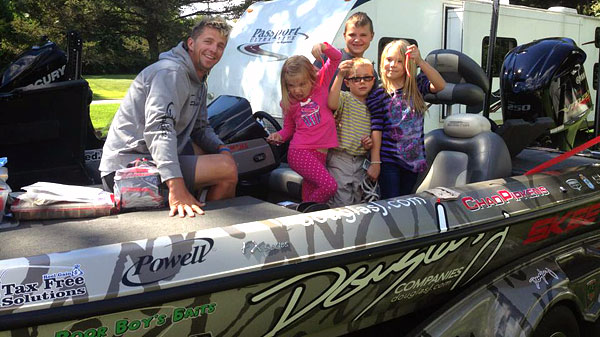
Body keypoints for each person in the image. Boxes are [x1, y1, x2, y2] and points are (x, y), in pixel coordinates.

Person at [99, 17, 238, 218]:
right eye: (208, 42)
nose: (214, 50)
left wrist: (222, 148)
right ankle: (207, 224)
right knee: (227, 169)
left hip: (149, 157)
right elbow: (159, 131)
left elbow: (200, 128)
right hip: (125, 169)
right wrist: (176, 186)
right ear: (191, 43)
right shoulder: (171, 73)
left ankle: (195, 202)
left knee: (217, 155)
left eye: (220, 46)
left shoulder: (198, 80)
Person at [366, 39, 446, 199]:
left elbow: (440, 85)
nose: (393, 64)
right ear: (382, 62)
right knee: (392, 202)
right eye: (389, 60)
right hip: (389, 161)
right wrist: (375, 162)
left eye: (399, 61)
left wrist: (420, 61)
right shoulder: (379, 94)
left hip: (414, 162)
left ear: (407, 64)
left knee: (406, 200)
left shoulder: (417, 86)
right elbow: (377, 129)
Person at [266, 43, 342, 203]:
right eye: (291, 86)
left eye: (302, 84)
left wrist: (323, 47)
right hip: (300, 152)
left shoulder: (320, 83)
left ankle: (306, 219)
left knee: (310, 193)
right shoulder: (289, 103)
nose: (297, 90)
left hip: (320, 153)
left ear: (311, 78)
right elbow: (288, 129)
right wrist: (278, 136)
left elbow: (337, 57)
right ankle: (306, 214)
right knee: (329, 186)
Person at [326, 58, 376, 207]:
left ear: (373, 80)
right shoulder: (344, 97)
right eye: (356, 79)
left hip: (361, 158)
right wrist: (339, 75)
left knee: (359, 197)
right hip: (341, 157)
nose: (362, 82)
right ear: (347, 83)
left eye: (367, 78)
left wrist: (369, 144)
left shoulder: (373, 103)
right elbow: (332, 104)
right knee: (342, 199)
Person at [313, 12, 377, 92]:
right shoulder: (327, 57)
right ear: (344, 36)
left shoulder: (370, 71)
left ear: (372, 36)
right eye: (352, 35)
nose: (357, 40)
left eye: (363, 35)